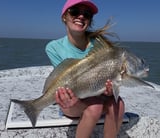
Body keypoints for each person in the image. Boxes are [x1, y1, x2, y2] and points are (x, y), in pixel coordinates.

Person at [45, 0, 125, 137]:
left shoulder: (100, 43)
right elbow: (60, 77)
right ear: (64, 16)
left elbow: (110, 73)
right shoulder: (53, 47)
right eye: (75, 11)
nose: (81, 16)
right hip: (72, 101)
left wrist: (110, 90)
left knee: (119, 104)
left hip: (98, 94)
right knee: (94, 107)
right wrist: (64, 95)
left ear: (89, 20)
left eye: (86, 14)